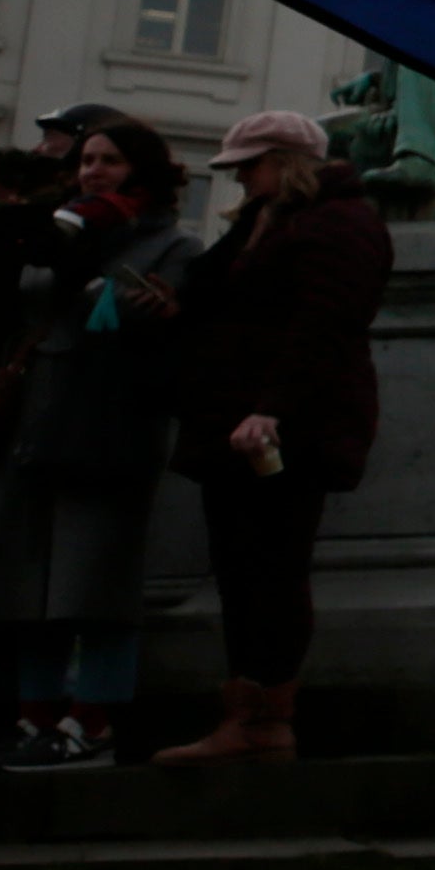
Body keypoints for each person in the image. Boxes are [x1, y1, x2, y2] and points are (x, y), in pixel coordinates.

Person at [0, 109, 198, 766]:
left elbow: (122, 327)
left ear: (141, 169)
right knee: (26, 587)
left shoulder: (171, 245)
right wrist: (6, 263)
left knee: (95, 593)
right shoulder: (49, 233)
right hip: (33, 432)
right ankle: (36, 720)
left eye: (108, 160)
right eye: (86, 160)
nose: (92, 170)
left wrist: (85, 278)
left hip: (108, 435)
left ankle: (92, 722)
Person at [151, 109, 391, 766]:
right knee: (242, 568)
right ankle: (248, 715)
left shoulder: (338, 223)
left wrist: (273, 408)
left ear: (285, 161)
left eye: (250, 165)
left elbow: (327, 324)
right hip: (241, 424)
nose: (240, 179)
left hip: (284, 429)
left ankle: (264, 718)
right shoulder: (269, 222)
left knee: (272, 567)